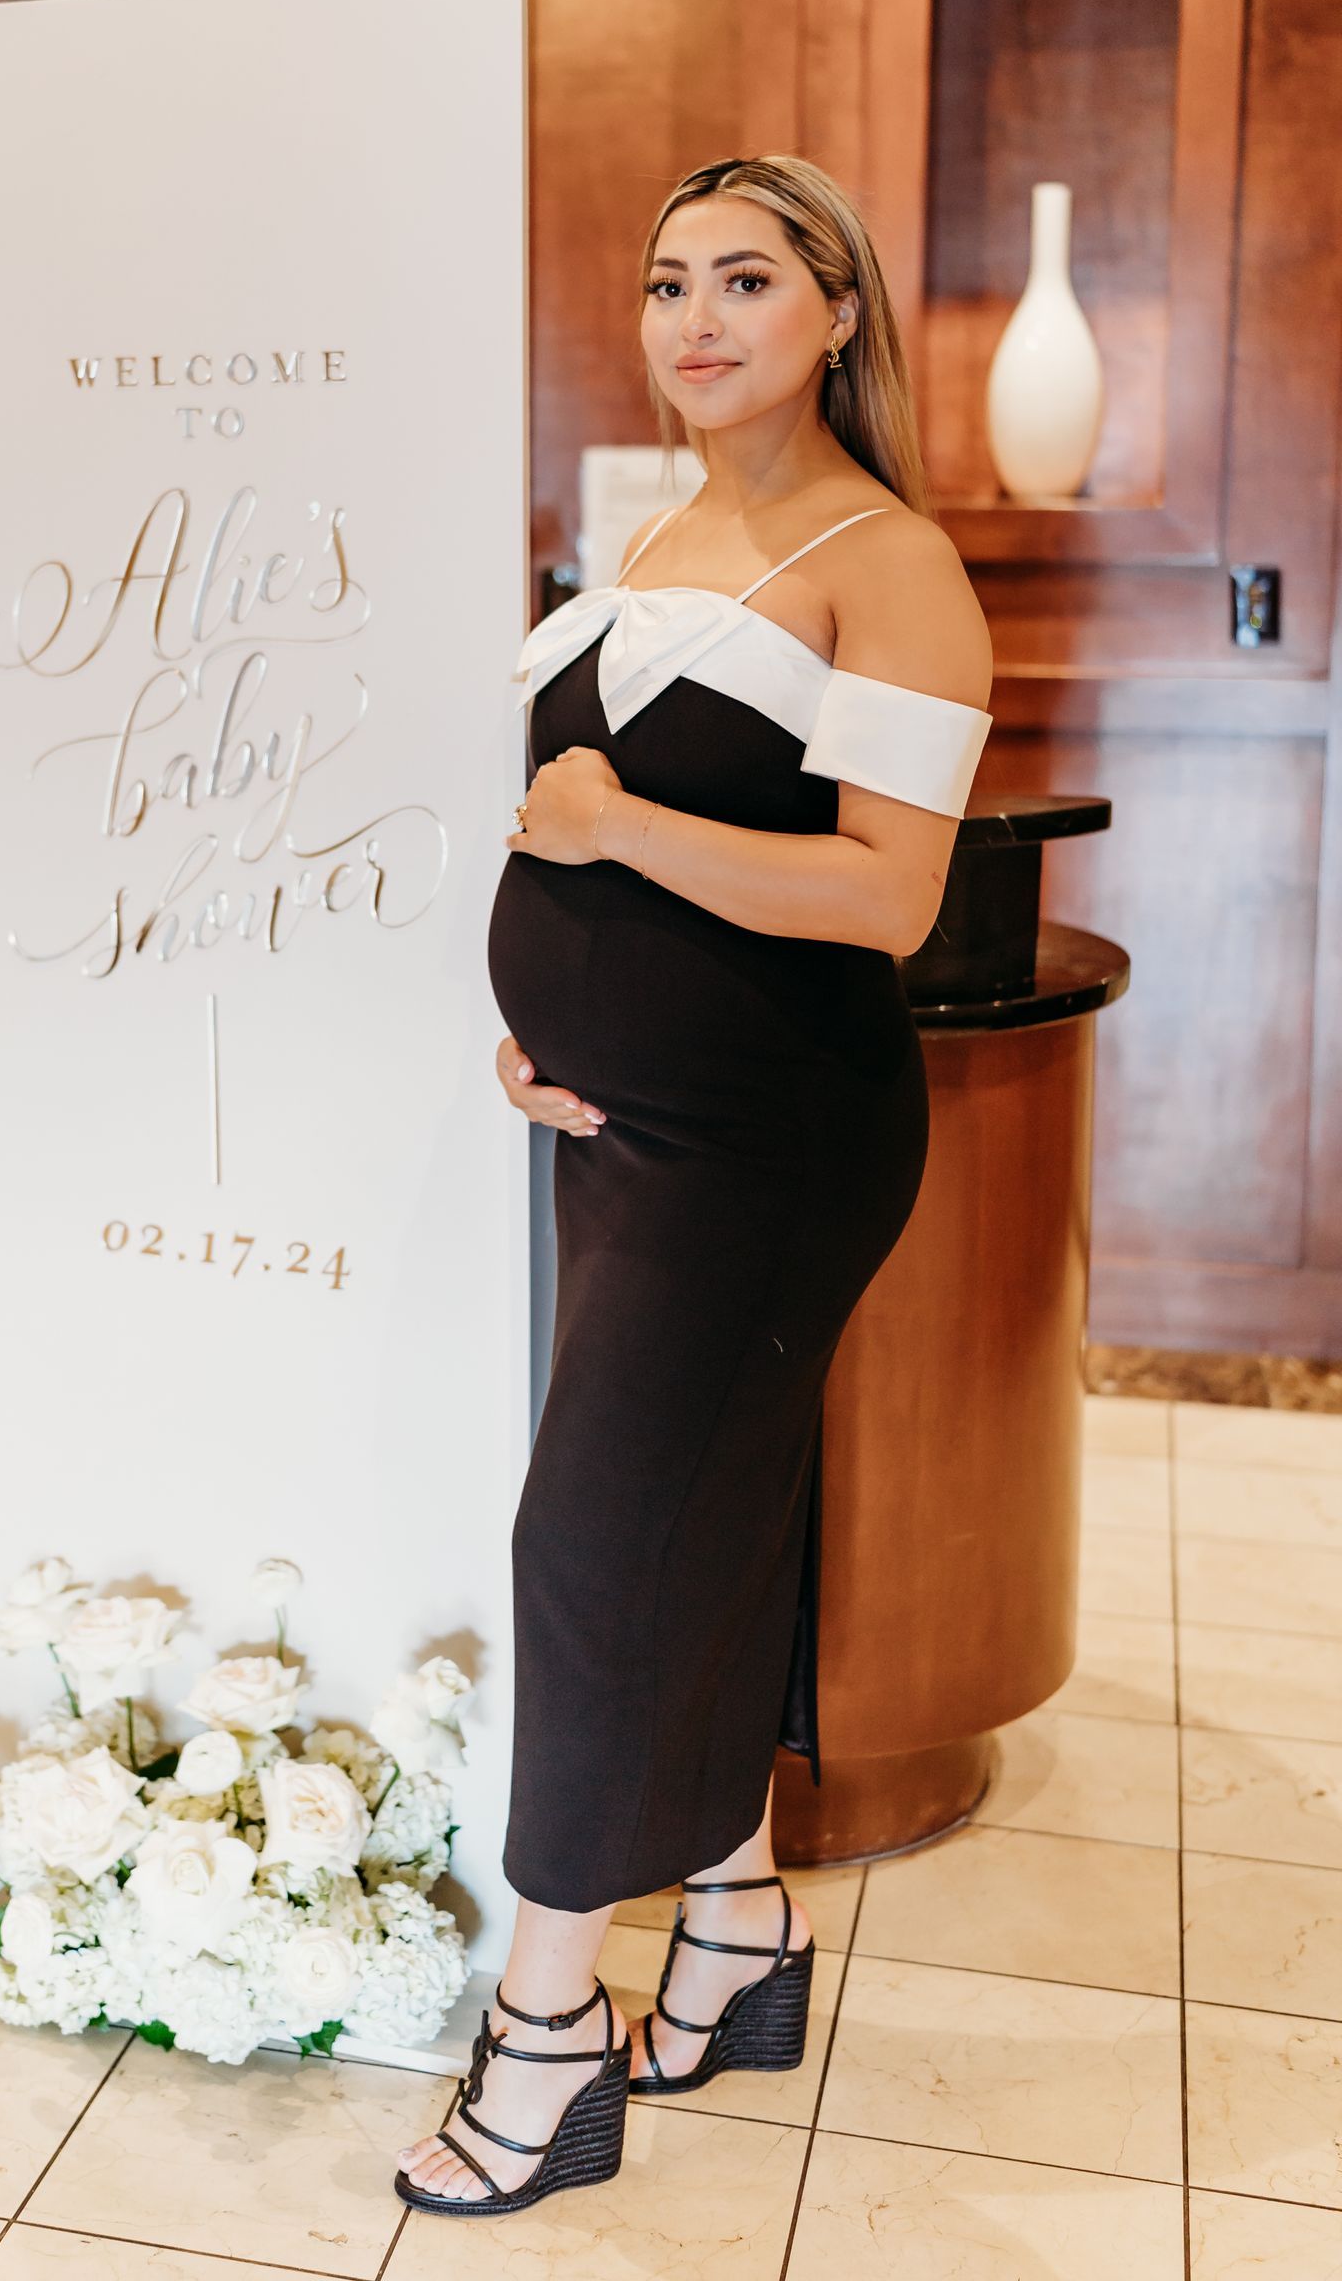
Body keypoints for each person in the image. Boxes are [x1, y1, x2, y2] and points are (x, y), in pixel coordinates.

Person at [395, 154, 994, 2217]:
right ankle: (734, 1936)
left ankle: (551, 2033)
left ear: (839, 312)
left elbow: (889, 896)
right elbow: (577, 841)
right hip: (632, 1127)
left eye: (748, 277)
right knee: (703, 1528)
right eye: (667, 284)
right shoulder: (661, 536)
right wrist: (538, 1026)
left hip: (776, 1144)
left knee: (593, 1545)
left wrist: (611, 838)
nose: (696, 317)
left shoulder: (887, 557)